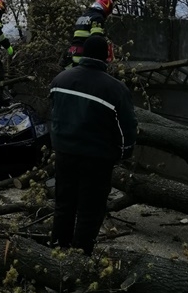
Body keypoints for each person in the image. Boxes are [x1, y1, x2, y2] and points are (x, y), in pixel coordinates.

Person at [48, 35, 137, 256]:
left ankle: (57, 252)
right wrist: (124, 152)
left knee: (64, 205)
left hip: (64, 153)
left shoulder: (60, 80)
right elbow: (127, 128)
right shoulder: (115, 89)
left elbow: (53, 113)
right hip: (97, 160)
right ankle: (80, 258)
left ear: (82, 53)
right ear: (107, 57)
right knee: (90, 210)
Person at [59, 0, 114, 69]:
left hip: (72, 58)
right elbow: (96, 41)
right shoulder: (97, 18)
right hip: (85, 60)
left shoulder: (82, 17)